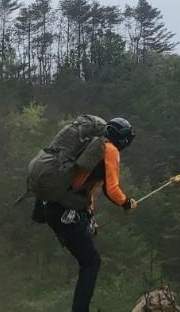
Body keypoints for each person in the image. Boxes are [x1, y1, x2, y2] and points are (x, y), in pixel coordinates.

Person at [44, 117, 138, 312]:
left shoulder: (92, 146)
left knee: (87, 258)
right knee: (91, 262)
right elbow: (111, 189)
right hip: (64, 210)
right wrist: (127, 203)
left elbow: (87, 186)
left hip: (50, 203)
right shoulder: (109, 150)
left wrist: (89, 217)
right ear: (123, 140)